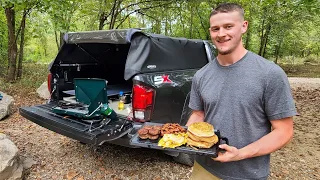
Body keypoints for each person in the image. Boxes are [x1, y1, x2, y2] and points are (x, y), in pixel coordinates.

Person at [186, 3, 297, 180]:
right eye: (216, 29)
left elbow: (284, 131)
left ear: (244, 26)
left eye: (228, 26)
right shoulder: (202, 75)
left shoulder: (270, 74)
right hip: (204, 168)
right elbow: (198, 114)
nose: (221, 34)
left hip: (247, 174)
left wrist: (240, 153)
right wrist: (184, 135)